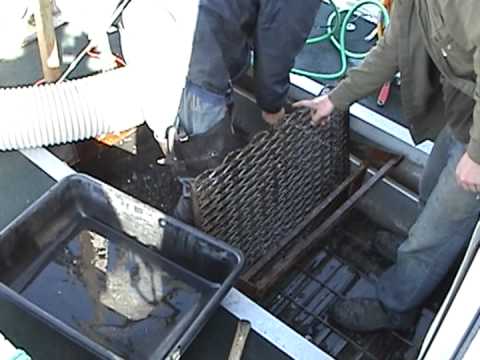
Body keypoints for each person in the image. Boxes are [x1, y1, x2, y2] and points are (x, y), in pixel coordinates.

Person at [295, 0, 480, 332]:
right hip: (464, 109)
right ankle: (425, 260)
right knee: (431, 187)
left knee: (441, 225)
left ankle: (396, 306)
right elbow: (393, 48)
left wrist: (477, 155)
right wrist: (335, 98)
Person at [167, 0, 321, 223]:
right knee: (203, 183)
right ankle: (178, 242)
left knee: (192, 140)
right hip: (199, 59)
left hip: (174, 30)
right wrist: (272, 104)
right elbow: (277, 43)